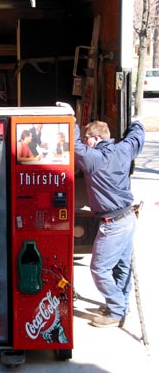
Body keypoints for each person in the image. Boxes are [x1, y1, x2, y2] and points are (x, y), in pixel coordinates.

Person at [74, 120, 145, 328]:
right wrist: (136, 122)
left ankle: (115, 311)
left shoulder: (94, 158)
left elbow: (74, 145)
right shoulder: (123, 150)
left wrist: (71, 119)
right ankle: (121, 306)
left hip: (113, 223)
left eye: (88, 138)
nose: (85, 142)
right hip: (128, 217)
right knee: (121, 267)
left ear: (96, 138)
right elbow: (137, 136)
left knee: (99, 268)